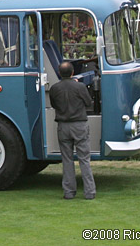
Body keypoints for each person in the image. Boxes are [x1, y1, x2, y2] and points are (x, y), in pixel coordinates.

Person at [49, 61, 96, 200]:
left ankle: (69, 192)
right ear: (72, 72)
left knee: (67, 160)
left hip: (63, 126)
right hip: (79, 125)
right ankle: (89, 192)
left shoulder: (54, 88)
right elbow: (88, 102)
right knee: (84, 159)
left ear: (60, 73)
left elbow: (54, 104)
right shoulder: (80, 86)